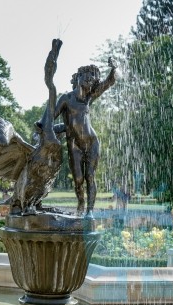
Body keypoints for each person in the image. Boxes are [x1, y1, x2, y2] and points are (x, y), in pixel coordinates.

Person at [54, 58, 118, 217]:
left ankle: (89, 211)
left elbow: (109, 82)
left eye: (93, 78)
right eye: (87, 76)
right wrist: (44, 129)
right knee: (78, 180)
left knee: (90, 176)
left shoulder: (90, 97)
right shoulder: (66, 98)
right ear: (78, 78)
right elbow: (51, 117)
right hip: (74, 145)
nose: (91, 80)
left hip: (92, 143)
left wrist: (113, 68)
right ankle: (81, 203)